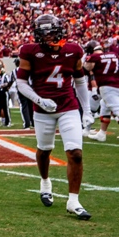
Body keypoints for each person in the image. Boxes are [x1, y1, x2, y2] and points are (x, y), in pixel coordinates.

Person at [16, 14, 90, 220]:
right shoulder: (30, 51)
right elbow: (21, 83)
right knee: (44, 150)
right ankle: (45, 181)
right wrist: (39, 100)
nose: (46, 37)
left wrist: (88, 111)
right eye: (42, 33)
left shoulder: (74, 50)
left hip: (68, 106)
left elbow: (80, 82)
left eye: (49, 32)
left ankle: (73, 201)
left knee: (75, 153)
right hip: (42, 110)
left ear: (59, 31)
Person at [87, 38, 119, 142]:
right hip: (116, 83)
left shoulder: (94, 57)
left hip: (107, 86)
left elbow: (87, 68)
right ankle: (102, 134)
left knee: (117, 109)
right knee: (104, 107)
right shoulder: (114, 54)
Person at [0, 59, 14, 127]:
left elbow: (9, 82)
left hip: (3, 93)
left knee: (5, 108)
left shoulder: (4, 76)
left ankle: (8, 122)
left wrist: (5, 86)